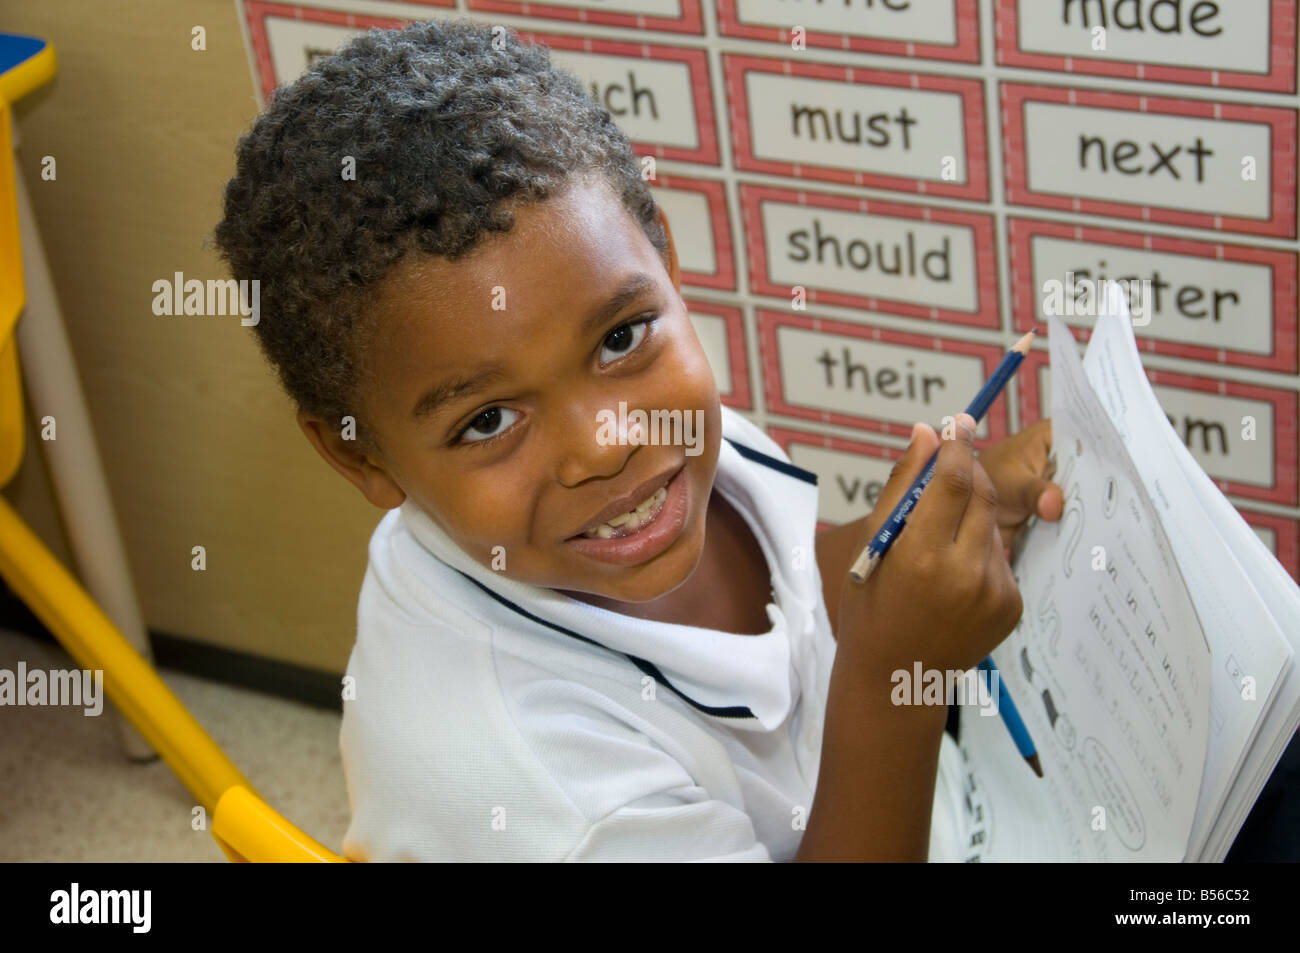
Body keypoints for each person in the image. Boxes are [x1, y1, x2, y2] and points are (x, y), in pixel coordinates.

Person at [213, 16, 1063, 861]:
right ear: (360, 455)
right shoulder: (548, 795)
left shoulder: (669, 455)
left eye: (619, 337)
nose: (608, 443)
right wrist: (896, 681)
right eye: (487, 421)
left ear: (663, 255)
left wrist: (914, 545)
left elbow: (796, 606)